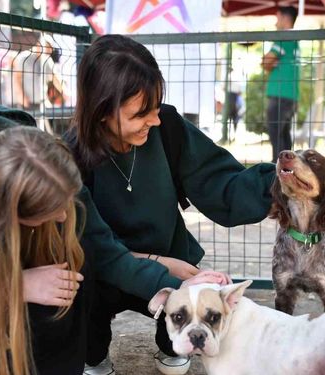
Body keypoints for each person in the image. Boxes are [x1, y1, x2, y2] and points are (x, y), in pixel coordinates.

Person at [0, 98, 226, 375]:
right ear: (5, 212)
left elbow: (103, 248)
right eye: (52, 210)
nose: (66, 215)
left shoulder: (46, 162)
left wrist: (172, 289)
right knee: (0, 338)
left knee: (72, 288)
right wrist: (14, 286)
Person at [66, 34, 275, 375]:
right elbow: (94, 248)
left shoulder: (169, 128)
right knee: (80, 282)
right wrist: (162, 265)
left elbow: (219, 182)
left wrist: (276, 186)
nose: (155, 120)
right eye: (140, 113)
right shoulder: (70, 156)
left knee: (187, 332)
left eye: (156, 107)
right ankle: (93, 352)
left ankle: (171, 343)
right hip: (107, 270)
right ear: (102, 111)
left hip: (174, 264)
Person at [262, 6, 300, 162]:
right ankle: (287, 174)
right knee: (284, 139)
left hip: (279, 95)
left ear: (285, 18)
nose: (275, 23)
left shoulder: (284, 37)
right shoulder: (294, 40)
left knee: (277, 139)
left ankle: (276, 175)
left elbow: (266, 61)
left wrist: (269, 62)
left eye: (277, 18)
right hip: (290, 96)